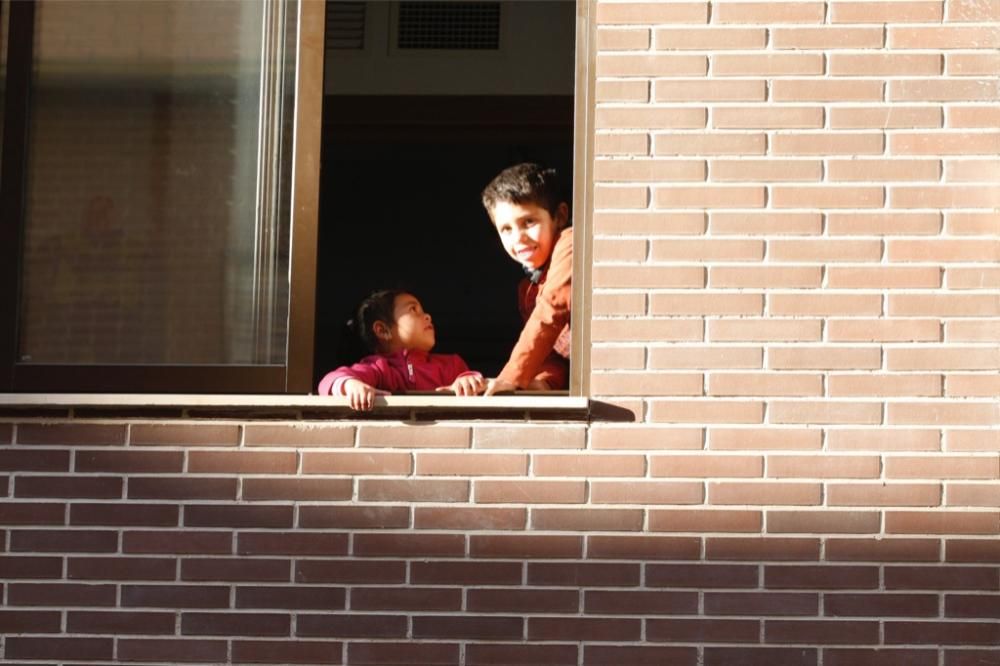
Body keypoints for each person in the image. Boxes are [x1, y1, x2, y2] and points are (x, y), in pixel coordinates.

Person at [480, 163, 572, 395]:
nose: (518, 238)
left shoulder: (570, 243)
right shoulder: (527, 288)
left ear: (560, 216)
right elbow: (551, 353)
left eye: (528, 222)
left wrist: (512, 376)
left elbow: (551, 311)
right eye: (506, 229)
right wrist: (544, 382)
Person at [318, 290, 485, 410]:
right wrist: (350, 385)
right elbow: (329, 380)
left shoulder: (452, 365)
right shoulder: (379, 368)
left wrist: (468, 382)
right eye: (413, 309)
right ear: (383, 331)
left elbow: (480, 394)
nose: (427, 316)